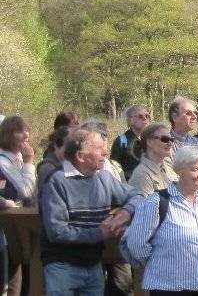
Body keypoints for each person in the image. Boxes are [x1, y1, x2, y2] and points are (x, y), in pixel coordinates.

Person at [39, 127, 144, 296]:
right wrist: (99, 233)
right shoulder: (56, 181)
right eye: (98, 148)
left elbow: (138, 195)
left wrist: (125, 213)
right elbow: (57, 232)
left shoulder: (103, 178)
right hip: (62, 267)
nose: (105, 152)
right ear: (80, 156)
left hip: (93, 264)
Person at [122, 146, 198, 296]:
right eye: (195, 169)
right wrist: (159, 261)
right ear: (179, 171)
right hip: (167, 287)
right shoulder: (157, 202)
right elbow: (136, 244)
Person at [0, 116, 36, 295]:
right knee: (8, 285)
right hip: (5, 235)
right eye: (20, 131)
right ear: (7, 135)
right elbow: (26, 191)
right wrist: (29, 163)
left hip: (17, 233)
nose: (26, 135)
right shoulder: (3, 162)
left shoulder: (17, 159)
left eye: (26, 129)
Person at [128, 123, 178, 194]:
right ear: (149, 142)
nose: (170, 143)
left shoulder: (169, 166)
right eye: (165, 139)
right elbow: (144, 204)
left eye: (172, 139)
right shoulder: (142, 175)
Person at [111, 105, 151, 179]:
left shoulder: (154, 139)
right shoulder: (121, 141)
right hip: (130, 185)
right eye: (140, 116)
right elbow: (114, 168)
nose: (145, 118)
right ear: (130, 120)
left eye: (147, 116)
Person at [36, 124, 72, 189]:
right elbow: (47, 197)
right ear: (57, 145)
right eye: (69, 144)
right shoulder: (47, 168)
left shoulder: (69, 165)